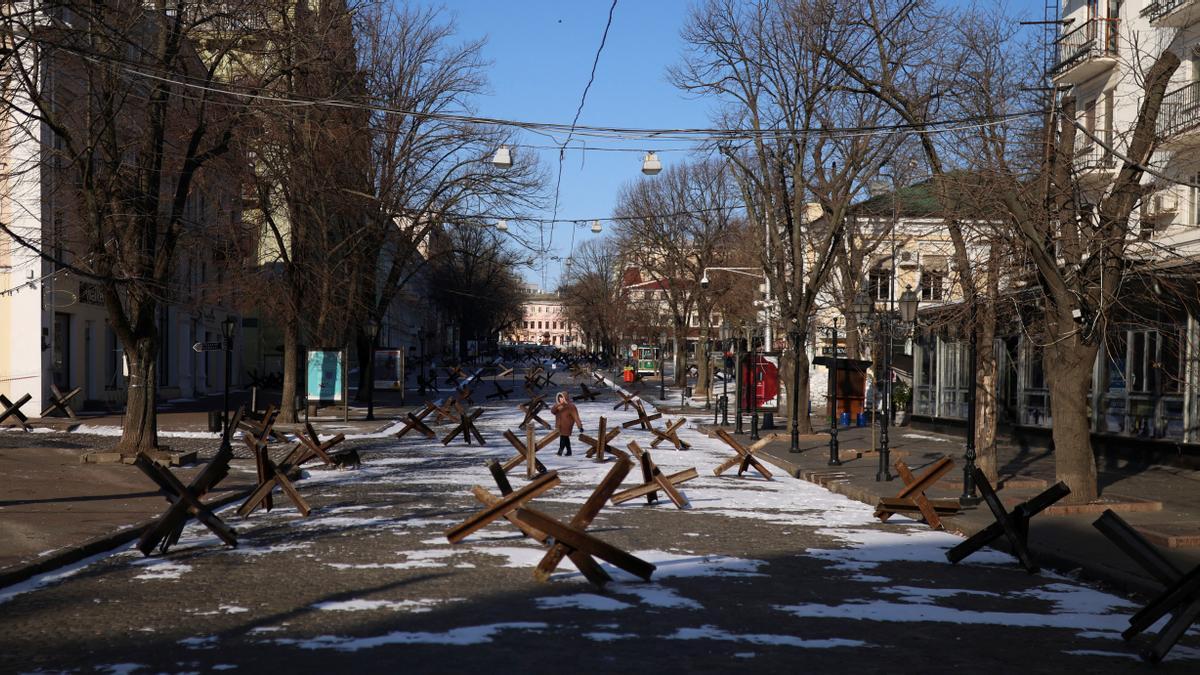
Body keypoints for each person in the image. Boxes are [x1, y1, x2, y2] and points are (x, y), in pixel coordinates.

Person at [551, 391, 583, 456]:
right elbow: (553, 411)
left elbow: (576, 417)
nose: (561, 399)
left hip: (567, 425)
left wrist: (580, 426)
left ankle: (560, 452)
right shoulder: (559, 406)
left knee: (563, 438)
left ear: (565, 398)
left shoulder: (571, 406)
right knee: (565, 438)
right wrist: (557, 405)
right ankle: (569, 451)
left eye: (562, 398)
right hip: (559, 425)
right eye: (559, 398)